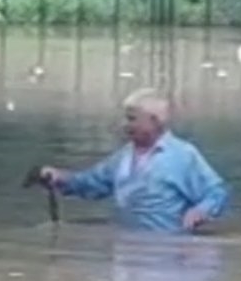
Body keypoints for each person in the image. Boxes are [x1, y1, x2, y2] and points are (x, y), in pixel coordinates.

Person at [39, 89, 229, 232]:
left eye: (131, 119)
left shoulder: (182, 156)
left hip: (169, 250)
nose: (125, 125)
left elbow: (216, 192)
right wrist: (60, 178)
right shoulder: (123, 156)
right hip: (127, 248)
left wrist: (201, 210)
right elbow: (91, 184)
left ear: (154, 121)